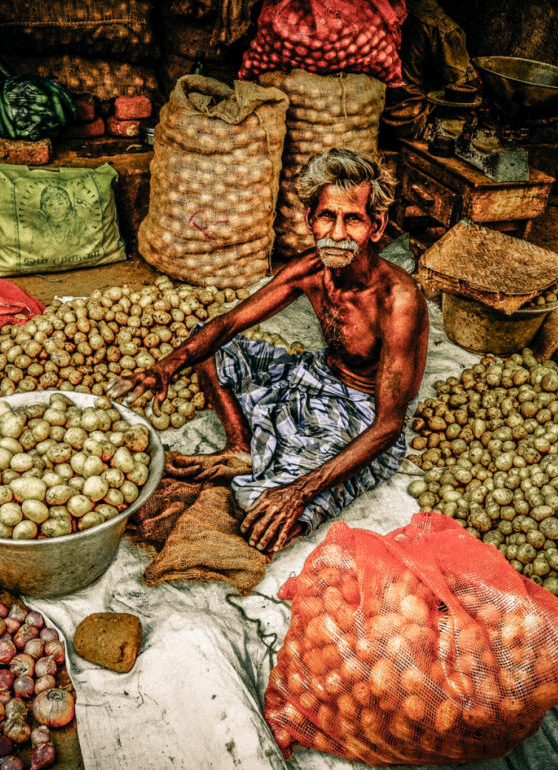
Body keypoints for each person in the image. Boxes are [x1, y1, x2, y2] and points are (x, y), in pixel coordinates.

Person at [126, 149, 429, 555]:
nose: (336, 233)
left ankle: (278, 475)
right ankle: (240, 446)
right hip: (315, 374)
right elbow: (229, 323)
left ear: (376, 227)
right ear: (309, 219)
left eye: (352, 219)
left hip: (362, 412)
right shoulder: (310, 269)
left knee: (270, 515)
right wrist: (166, 366)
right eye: (327, 216)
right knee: (208, 345)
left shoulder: (398, 300)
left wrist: (300, 490)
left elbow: (389, 424)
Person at [382, 0, 478, 140]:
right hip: (409, 119)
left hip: (382, 113)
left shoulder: (395, 7)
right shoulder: (439, 23)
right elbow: (465, 87)